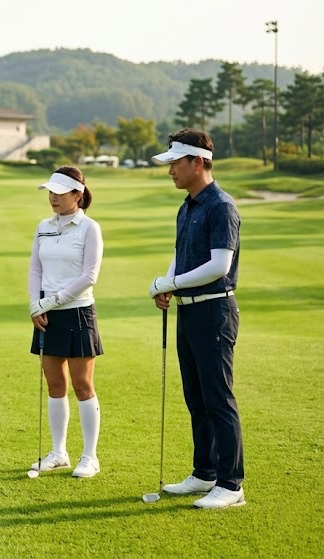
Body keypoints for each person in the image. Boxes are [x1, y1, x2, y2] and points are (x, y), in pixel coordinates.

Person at [148, 129, 245, 509]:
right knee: (196, 397)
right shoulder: (187, 206)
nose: (170, 170)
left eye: (176, 163)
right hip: (188, 310)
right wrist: (168, 283)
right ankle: (205, 472)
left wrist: (171, 283)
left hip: (214, 311)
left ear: (198, 162)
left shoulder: (221, 206)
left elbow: (219, 265)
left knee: (218, 397)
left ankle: (231, 484)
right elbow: (182, 254)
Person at [28, 166, 105, 478]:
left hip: (78, 312)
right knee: (55, 384)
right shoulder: (43, 227)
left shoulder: (89, 228)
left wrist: (52, 300)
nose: (53, 197)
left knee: (82, 385)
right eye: (51, 192)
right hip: (46, 314)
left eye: (60, 192)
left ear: (78, 194)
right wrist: (36, 304)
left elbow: (89, 275)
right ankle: (59, 453)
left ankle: (90, 456)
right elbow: (35, 269)